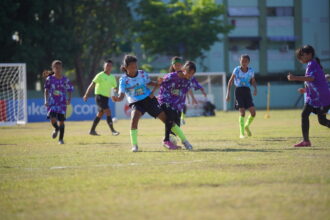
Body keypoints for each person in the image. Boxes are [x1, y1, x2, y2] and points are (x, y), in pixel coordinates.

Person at [112, 55, 191, 152]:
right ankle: (135, 146)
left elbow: (150, 83)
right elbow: (121, 95)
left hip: (149, 99)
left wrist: (158, 82)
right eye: (132, 67)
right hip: (136, 103)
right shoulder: (123, 80)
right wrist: (117, 99)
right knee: (134, 120)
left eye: (136, 66)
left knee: (167, 120)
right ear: (126, 68)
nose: (135, 68)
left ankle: (185, 141)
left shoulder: (142, 74)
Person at [287, 45, 330, 147]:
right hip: (316, 98)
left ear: (309, 54)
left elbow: (311, 78)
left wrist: (294, 77)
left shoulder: (312, 63)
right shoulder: (313, 63)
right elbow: (318, 81)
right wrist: (306, 90)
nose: (301, 58)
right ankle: (306, 141)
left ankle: (306, 141)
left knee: (321, 120)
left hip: (321, 98)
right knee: (309, 116)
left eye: (302, 55)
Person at [158, 61, 204, 150]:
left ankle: (170, 140)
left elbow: (195, 85)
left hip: (177, 104)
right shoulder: (172, 76)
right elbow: (161, 81)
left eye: (192, 73)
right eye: (189, 72)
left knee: (175, 125)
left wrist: (201, 90)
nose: (190, 75)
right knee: (170, 117)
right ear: (184, 69)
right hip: (165, 100)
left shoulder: (190, 79)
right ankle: (173, 140)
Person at [83, 59, 119, 136]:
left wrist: (116, 94)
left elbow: (115, 88)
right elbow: (92, 84)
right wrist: (86, 94)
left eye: (110, 66)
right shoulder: (100, 75)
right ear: (104, 67)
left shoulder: (112, 77)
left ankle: (92, 130)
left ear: (112, 67)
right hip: (99, 96)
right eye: (107, 66)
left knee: (100, 113)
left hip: (106, 98)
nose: (108, 67)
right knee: (108, 111)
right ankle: (113, 131)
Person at [168, 56, 207, 125]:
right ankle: (169, 134)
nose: (178, 66)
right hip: (171, 100)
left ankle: (179, 122)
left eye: (179, 65)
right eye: (176, 65)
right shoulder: (173, 76)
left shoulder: (187, 77)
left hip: (179, 101)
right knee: (171, 119)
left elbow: (189, 87)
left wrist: (193, 97)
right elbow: (166, 88)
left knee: (177, 120)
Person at [226, 54, 257, 138]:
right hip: (239, 91)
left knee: (253, 113)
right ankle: (241, 133)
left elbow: (253, 81)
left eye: (245, 61)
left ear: (248, 62)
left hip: (247, 91)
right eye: (242, 61)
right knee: (242, 112)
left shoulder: (251, 71)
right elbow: (230, 81)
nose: (244, 63)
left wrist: (255, 89)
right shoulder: (236, 70)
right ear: (240, 61)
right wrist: (227, 93)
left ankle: (246, 126)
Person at [43, 60, 74, 144]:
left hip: (62, 103)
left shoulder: (65, 79)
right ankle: (56, 129)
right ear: (53, 69)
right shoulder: (49, 79)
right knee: (53, 120)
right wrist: (46, 100)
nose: (58, 69)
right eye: (56, 68)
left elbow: (70, 89)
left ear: (62, 68)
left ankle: (61, 139)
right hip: (52, 103)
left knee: (61, 121)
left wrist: (69, 99)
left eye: (59, 68)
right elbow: (46, 90)